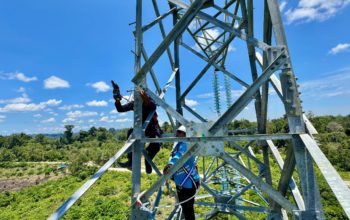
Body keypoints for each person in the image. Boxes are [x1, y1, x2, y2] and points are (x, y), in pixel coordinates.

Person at [112, 81, 162, 174]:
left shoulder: (150, 101)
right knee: (131, 134)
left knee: (156, 145)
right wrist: (117, 96)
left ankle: (148, 161)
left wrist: (140, 90)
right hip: (140, 128)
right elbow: (120, 109)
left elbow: (152, 107)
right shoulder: (135, 103)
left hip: (151, 128)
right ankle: (131, 161)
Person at [163, 125, 200, 220]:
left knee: (188, 210)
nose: (177, 134)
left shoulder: (185, 144)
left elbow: (179, 155)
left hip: (187, 183)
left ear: (185, 134)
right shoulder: (179, 144)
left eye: (180, 132)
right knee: (186, 208)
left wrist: (170, 164)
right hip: (183, 182)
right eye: (177, 132)